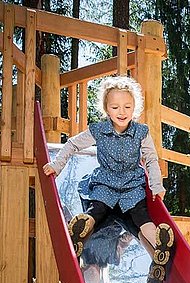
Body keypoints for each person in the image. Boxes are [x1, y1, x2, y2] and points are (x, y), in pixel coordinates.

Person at [43, 75, 165, 257]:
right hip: (106, 183)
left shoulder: (141, 132)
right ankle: (80, 231)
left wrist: (156, 185)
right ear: (107, 109)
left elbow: (151, 159)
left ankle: (161, 247)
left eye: (127, 107)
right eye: (115, 107)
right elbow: (72, 144)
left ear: (135, 108)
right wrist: (56, 165)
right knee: (97, 210)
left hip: (132, 186)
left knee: (142, 217)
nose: (121, 112)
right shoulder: (99, 131)